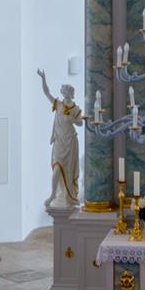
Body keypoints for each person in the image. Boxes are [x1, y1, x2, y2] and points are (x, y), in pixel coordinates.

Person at [37, 69, 84, 208]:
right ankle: (52, 194)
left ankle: (68, 196)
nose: (64, 92)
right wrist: (43, 78)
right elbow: (46, 92)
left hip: (70, 142)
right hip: (59, 142)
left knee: (68, 172)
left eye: (66, 90)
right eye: (63, 90)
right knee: (56, 167)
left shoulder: (75, 108)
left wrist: (72, 120)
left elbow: (80, 123)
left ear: (70, 93)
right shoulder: (58, 104)